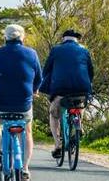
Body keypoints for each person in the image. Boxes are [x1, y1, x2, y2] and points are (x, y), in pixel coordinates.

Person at [0, 24, 42, 181]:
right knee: (27, 131)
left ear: (5, 37)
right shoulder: (32, 54)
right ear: (23, 37)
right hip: (23, 106)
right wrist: (34, 90)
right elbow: (39, 79)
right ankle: (25, 169)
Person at [39, 29, 94, 159]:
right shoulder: (84, 50)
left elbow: (46, 69)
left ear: (64, 38)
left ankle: (58, 145)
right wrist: (87, 85)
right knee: (80, 105)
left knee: (54, 114)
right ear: (77, 39)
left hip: (60, 89)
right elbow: (91, 71)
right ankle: (78, 126)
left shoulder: (56, 50)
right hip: (82, 88)